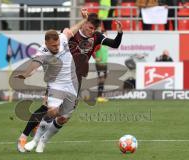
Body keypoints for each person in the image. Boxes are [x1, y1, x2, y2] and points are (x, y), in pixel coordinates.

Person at [19, 12, 123, 153]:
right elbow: (52, 46)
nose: (92, 31)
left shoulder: (96, 37)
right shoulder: (69, 34)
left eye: (94, 29)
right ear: (85, 23)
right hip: (59, 77)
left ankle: (42, 138)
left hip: (76, 79)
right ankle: (24, 137)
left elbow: (115, 44)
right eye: (90, 27)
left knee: (63, 117)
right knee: (46, 107)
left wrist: (120, 32)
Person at [16, 8, 88, 153]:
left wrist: (84, 20)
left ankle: (43, 140)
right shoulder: (42, 52)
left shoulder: (62, 37)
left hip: (72, 83)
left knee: (63, 118)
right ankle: (32, 139)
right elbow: (34, 66)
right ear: (46, 43)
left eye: (57, 45)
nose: (56, 48)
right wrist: (25, 74)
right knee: (51, 111)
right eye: (53, 46)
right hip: (56, 84)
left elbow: (72, 30)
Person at [93, 30, 109, 103]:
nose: (106, 35)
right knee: (102, 78)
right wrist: (96, 58)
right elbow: (93, 50)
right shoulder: (99, 44)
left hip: (104, 64)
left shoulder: (105, 44)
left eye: (107, 34)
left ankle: (100, 95)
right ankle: (99, 96)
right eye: (105, 34)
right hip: (100, 64)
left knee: (103, 78)